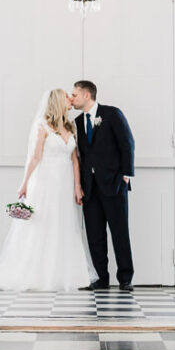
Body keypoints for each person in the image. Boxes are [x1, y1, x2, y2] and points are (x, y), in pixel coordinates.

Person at [0, 88, 96, 292]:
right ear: (58, 101)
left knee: (64, 224)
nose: (70, 99)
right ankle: (39, 273)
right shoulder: (42, 126)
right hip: (46, 181)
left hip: (65, 182)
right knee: (43, 224)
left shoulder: (70, 126)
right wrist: (24, 183)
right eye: (67, 96)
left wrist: (77, 186)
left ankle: (65, 273)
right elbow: (35, 157)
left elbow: (75, 161)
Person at [71, 80, 135, 292]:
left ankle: (125, 278)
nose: (73, 99)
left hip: (114, 184)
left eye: (75, 95)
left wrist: (125, 175)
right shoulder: (78, 122)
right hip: (91, 188)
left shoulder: (112, 114)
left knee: (119, 232)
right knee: (95, 235)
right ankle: (100, 278)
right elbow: (82, 154)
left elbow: (127, 143)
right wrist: (79, 185)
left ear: (86, 95)